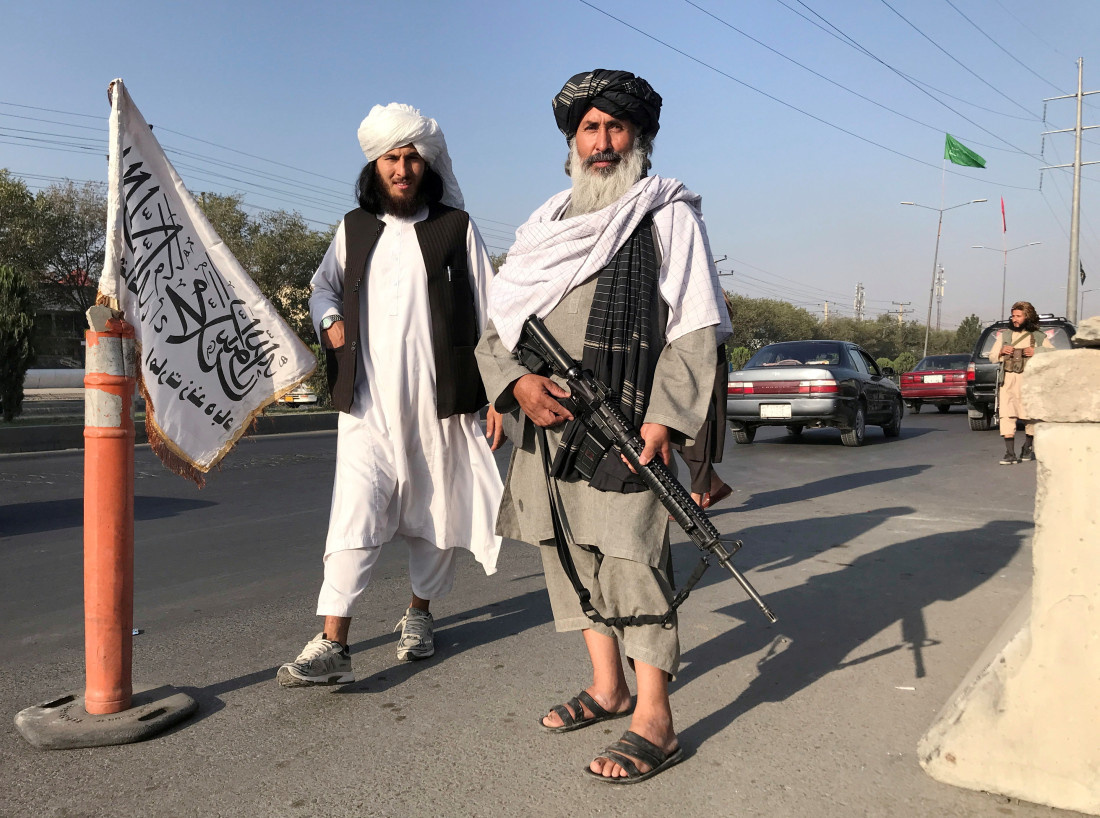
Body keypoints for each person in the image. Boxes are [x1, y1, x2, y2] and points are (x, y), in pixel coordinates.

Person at [475, 69, 731, 783]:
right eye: (589, 129)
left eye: (616, 127)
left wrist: (666, 418)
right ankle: (607, 686)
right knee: (566, 556)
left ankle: (655, 715)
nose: (602, 142)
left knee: (632, 559)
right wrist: (517, 383)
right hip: (545, 423)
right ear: (571, 142)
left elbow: (695, 328)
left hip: (626, 424)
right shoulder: (543, 226)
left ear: (639, 137)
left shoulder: (663, 215)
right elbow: (496, 327)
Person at [277, 103, 503, 687]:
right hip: (366, 405)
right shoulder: (354, 228)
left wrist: (499, 394)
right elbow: (322, 286)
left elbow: (492, 308)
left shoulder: (457, 228)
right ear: (374, 167)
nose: (402, 169)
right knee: (352, 514)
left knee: (437, 511)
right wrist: (329, 321)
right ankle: (334, 643)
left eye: (411, 158)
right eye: (391, 159)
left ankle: (419, 615)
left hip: (442, 403)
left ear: (426, 165)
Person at [989, 300, 1050, 465]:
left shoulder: (1038, 336)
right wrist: (1002, 351)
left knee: (1030, 416)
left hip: (1029, 382)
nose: (1014, 319)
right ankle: (1010, 453)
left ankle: (1027, 447)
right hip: (1008, 380)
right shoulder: (1005, 335)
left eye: (1018, 316)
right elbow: (992, 356)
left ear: (1027, 316)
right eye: (1013, 316)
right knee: (1006, 415)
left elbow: (1053, 353)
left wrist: (1036, 351)